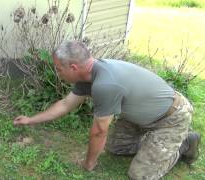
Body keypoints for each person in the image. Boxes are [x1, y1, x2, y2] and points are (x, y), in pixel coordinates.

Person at [13, 40, 201, 179]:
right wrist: (31, 120)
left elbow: (99, 131)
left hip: (171, 116)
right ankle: (155, 142)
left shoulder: (105, 83)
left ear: (73, 67)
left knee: (140, 174)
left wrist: (89, 164)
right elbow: (65, 104)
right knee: (116, 148)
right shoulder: (87, 75)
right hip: (139, 116)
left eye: (58, 69)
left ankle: (184, 143)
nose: (58, 73)